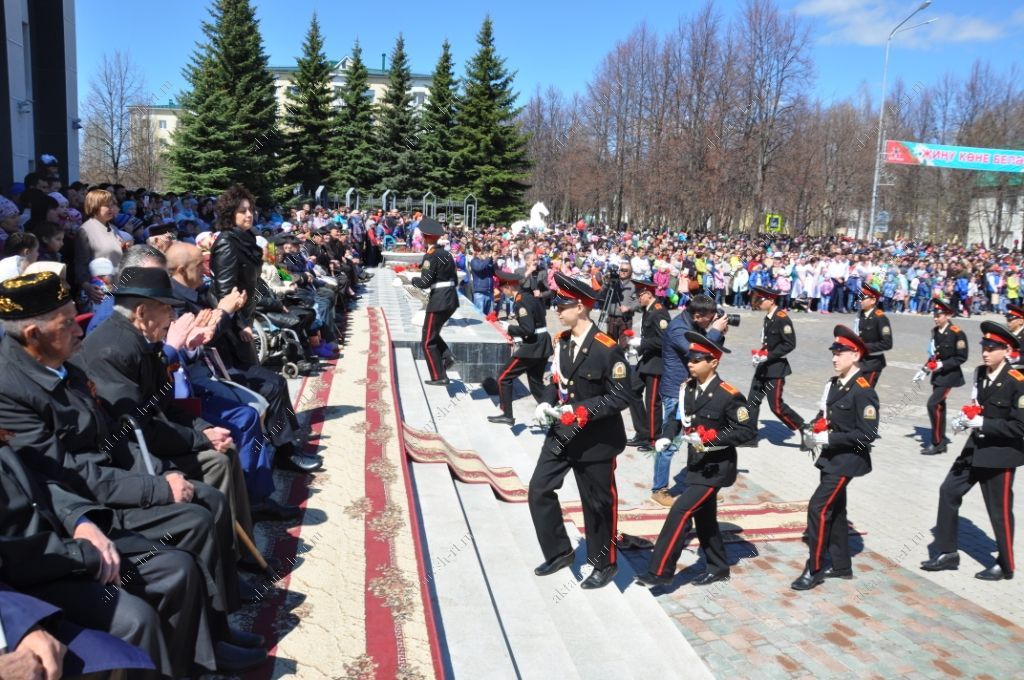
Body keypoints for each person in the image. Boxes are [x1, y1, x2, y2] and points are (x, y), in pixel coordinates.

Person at [528, 272, 631, 590]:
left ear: (582, 307)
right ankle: (559, 551)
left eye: (563, 304)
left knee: (598, 502)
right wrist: (546, 402)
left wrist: (585, 411)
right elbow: (555, 381)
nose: (557, 310)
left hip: (595, 439)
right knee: (538, 490)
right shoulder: (561, 342)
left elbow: (622, 394)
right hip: (562, 432)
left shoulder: (606, 348)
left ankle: (605, 562)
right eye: (556, 303)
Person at [635, 331, 753, 588]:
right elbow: (677, 419)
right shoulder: (687, 388)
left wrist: (712, 439)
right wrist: (667, 436)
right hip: (696, 466)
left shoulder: (728, 395)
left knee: (680, 510)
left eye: (697, 359)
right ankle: (719, 566)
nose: (690, 363)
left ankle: (660, 571)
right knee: (705, 518)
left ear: (714, 362)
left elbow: (746, 431)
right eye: (689, 358)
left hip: (716, 469)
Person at [921, 321, 1021, 582]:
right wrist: (964, 418)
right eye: (984, 347)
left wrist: (984, 423)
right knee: (948, 491)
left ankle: (1006, 564)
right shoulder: (980, 373)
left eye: (992, 348)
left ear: (1007, 351)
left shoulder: (1017, 381)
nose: (985, 352)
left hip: (1000, 455)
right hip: (974, 449)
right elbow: (977, 403)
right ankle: (947, 552)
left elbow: (1020, 426)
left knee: (998, 511)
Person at [791, 325, 879, 590]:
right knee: (836, 510)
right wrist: (812, 429)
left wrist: (829, 438)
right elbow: (824, 416)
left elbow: (868, 434)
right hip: (831, 457)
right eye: (834, 352)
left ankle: (815, 568)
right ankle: (841, 565)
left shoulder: (863, 389)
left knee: (818, 507)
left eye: (841, 352)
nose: (834, 357)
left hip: (848, 459)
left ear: (855, 356)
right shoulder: (832, 384)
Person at [652, 294, 728, 506]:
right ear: (696, 315)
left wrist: (718, 334)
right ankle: (659, 489)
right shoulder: (677, 328)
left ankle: (695, 486)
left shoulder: (694, 324)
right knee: (671, 441)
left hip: (693, 389)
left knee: (696, 439)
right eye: (709, 318)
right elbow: (697, 352)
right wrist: (713, 331)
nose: (711, 321)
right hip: (676, 392)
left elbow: (712, 353)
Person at [488, 270, 553, 426]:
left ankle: (507, 414)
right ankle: (555, 414)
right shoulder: (529, 296)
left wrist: (509, 328)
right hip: (542, 342)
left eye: (503, 288)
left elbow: (528, 329)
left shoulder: (521, 301)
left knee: (504, 377)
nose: (502, 292)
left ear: (510, 286)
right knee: (536, 384)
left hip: (533, 345)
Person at [744, 286, 806, 446]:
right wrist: (760, 354)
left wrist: (768, 356)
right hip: (763, 367)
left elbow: (790, 344)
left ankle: (804, 428)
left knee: (776, 406)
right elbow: (767, 342)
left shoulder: (781, 317)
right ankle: (750, 436)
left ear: (771, 300)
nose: (757, 303)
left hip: (776, 369)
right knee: (752, 401)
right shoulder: (769, 317)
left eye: (760, 300)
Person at [410, 217, 459, 385]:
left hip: (438, 300)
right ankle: (447, 355)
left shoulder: (430, 256)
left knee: (427, 341)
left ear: (425, 237)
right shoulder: (446, 254)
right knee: (433, 333)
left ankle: (439, 377)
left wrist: (411, 280)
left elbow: (425, 282)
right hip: (451, 299)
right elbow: (454, 278)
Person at [625, 279, 670, 452]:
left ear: (648, 294)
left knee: (652, 402)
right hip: (647, 360)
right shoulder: (648, 309)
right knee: (631, 390)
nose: (638, 298)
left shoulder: (659, 312)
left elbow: (663, 340)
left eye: (639, 295)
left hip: (657, 363)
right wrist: (640, 345)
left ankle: (653, 439)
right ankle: (643, 432)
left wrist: (642, 342)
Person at [921, 299, 969, 456]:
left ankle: (936, 442)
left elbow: (961, 357)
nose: (935, 318)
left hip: (950, 376)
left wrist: (942, 365)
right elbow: (934, 353)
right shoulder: (935, 332)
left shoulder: (957, 333)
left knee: (932, 405)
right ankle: (941, 442)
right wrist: (926, 367)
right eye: (934, 315)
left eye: (939, 315)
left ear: (947, 315)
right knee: (939, 408)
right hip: (937, 376)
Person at [74, 189, 122, 306]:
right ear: (95, 206)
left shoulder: (114, 228)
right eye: (107, 205)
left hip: (117, 289)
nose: (111, 208)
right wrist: (87, 286)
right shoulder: (86, 230)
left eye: (113, 205)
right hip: (99, 293)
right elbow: (81, 263)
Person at [854, 282, 893, 387]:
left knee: (865, 394)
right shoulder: (860, 315)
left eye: (863, 298)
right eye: (860, 297)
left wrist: (865, 347)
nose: (860, 300)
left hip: (873, 363)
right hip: (859, 362)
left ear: (873, 300)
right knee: (855, 393)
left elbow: (887, 343)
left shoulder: (880, 318)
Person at [603, 264, 637, 341]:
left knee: (624, 346)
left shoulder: (634, 286)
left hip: (626, 319)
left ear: (630, 273)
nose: (623, 272)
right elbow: (601, 295)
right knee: (610, 344)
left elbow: (638, 303)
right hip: (612, 318)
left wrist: (629, 308)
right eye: (621, 270)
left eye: (626, 270)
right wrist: (606, 283)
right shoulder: (611, 283)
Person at [469, 244, 496, 314]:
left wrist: (493, 262)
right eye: (488, 254)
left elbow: (495, 273)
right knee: (480, 316)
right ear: (483, 253)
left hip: (490, 292)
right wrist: (488, 259)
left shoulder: (488, 262)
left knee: (490, 317)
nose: (489, 256)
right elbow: (479, 268)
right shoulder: (474, 261)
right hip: (480, 292)